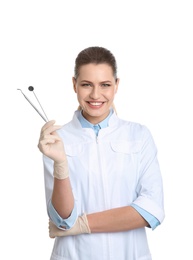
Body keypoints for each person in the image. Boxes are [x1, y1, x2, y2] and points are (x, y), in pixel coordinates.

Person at [38, 46, 165, 260]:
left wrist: (82, 225)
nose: (96, 95)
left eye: (105, 85)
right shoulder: (57, 140)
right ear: (74, 85)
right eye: (86, 85)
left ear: (116, 85)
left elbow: (151, 210)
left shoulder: (139, 135)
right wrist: (60, 163)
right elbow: (63, 220)